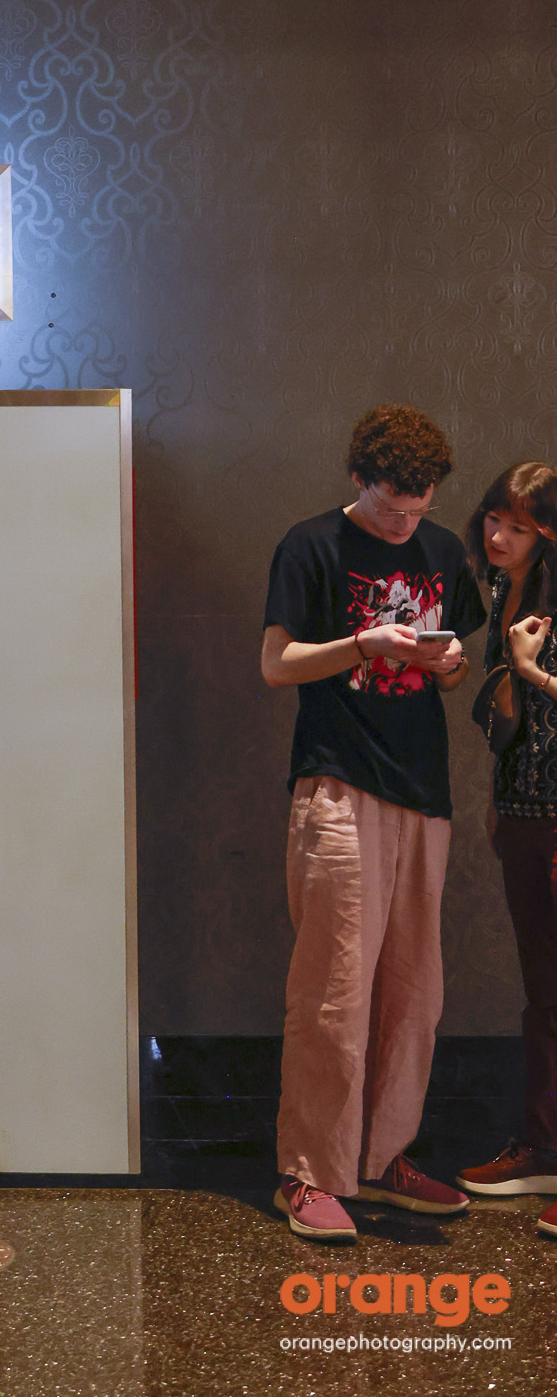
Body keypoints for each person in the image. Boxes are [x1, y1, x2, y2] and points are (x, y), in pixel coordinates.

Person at [262, 405, 486, 1241]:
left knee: (415, 992)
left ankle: (383, 1155)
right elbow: (276, 663)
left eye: (419, 506)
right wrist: (366, 644)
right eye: (392, 505)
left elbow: (455, 663)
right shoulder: (312, 544)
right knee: (335, 990)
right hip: (339, 783)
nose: (406, 521)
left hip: (422, 790)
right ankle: (310, 1174)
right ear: (360, 480)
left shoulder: (440, 551)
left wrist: (449, 660)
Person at [456, 463, 557, 1235]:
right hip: (525, 812)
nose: (498, 536)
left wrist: (529, 672)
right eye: (494, 518)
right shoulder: (501, 594)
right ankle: (542, 1148)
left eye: (518, 526)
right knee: (544, 992)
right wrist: (498, 799)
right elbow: (508, 715)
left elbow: (529, 687)